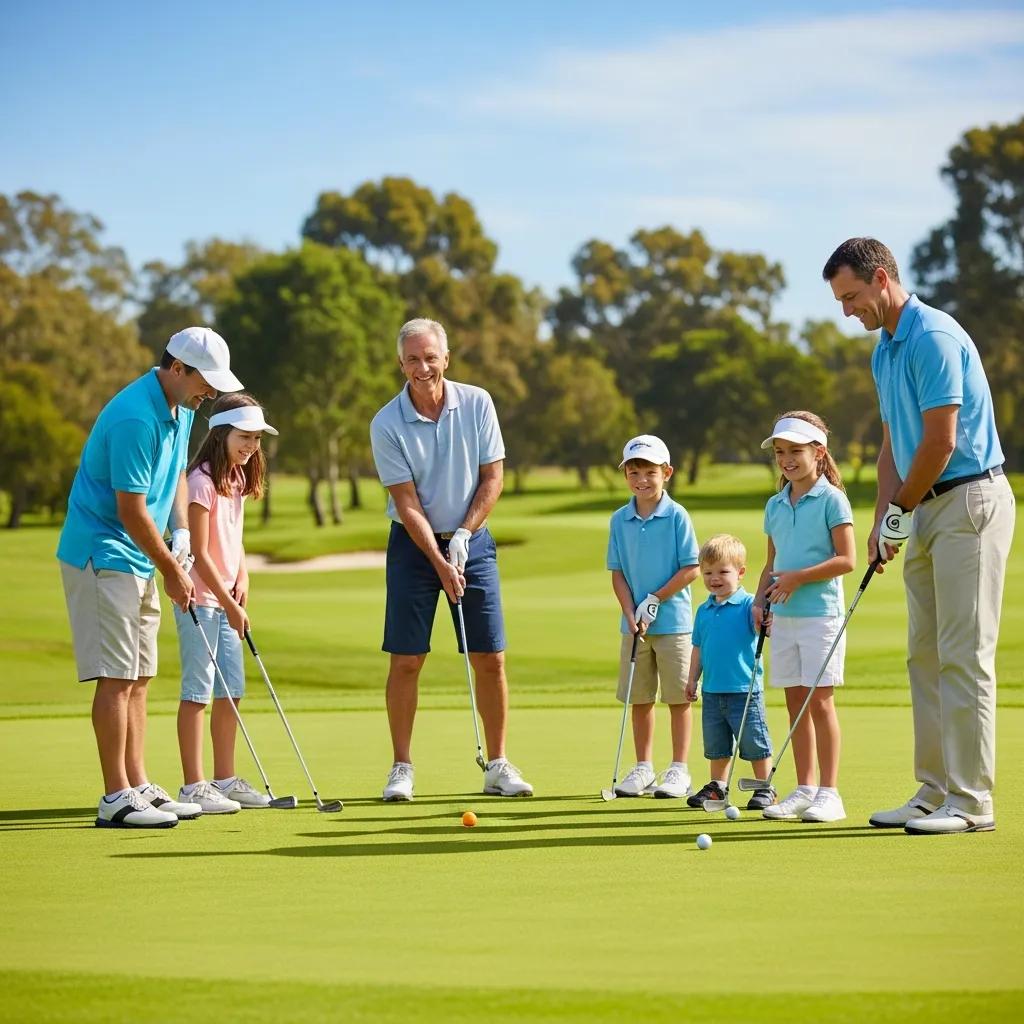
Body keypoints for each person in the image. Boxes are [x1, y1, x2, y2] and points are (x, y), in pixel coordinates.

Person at [823, 237, 1016, 835]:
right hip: (925, 506)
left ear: (881, 278)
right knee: (924, 656)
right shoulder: (884, 351)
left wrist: (901, 510)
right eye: (840, 300)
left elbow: (940, 442)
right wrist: (887, 519)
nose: (847, 310)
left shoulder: (933, 337)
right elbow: (892, 449)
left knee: (964, 656)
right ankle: (934, 790)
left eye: (852, 296)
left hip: (969, 502)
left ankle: (972, 800)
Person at [57, 327, 244, 828]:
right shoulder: (135, 416)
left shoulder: (180, 410)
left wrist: (181, 531)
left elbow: (179, 476)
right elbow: (131, 509)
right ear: (177, 368)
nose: (210, 391)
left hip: (139, 554)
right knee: (117, 677)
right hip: (103, 553)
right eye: (205, 380)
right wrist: (172, 569)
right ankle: (115, 795)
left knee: (140, 676)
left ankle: (138, 784)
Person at [369, 318, 533, 801]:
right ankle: (402, 767)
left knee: (490, 656)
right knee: (406, 660)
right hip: (412, 546)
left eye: (431, 356)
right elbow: (406, 501)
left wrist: (464, 534)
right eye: (413, 359)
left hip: (474, 541)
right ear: (401, 364)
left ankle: (498, 764)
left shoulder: (477, 402)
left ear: (446, 357)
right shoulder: (386, 422)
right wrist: (440, 561)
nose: (423, 367)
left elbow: (492, 479)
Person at [173, 393, 279, 814]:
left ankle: (225, 778)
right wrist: (227, 602)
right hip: (201, 601)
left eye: (256, 439)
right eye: (244, 436)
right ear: (221, 434)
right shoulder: (200, 481)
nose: (251, 446)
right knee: (197, 691)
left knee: (231, 691)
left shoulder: (234, 479)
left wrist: (245, 575)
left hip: (226, 597)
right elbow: (198, 551)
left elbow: (232, 541)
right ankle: (192, 785)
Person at [754, 412, 856, 823]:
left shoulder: (832, 498)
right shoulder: (776, 504)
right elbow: (771, 563)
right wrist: (759, 602)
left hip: (820, 616)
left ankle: (830, 794)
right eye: (780, 452)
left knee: (820, 703)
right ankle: (805, 788)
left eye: (796, 451)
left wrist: (798, 579)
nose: (787, 459)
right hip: (784, 617)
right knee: (794, 704)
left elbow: (847, 560)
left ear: (819, 452)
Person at [606, 435, 700, 797]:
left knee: (678, 697)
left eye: (649, 472)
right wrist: (629, 611)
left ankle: (678, 769)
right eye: (634, 472)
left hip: (674, 622)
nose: (641, 479)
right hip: (633, 626)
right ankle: (643, 768)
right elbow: (617, 572)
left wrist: (656, 598)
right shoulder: (620, 519)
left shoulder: (677, 516)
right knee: (640, 698)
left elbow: (691, 567)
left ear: (667, 473)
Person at [685, 535, 774, 810]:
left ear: (740, 572)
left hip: (744, 690)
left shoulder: (750, 605)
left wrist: (768, 622)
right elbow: (698, 648)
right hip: (712, 690)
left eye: (723, 571)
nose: (715, 578)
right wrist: (692, 679)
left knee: (755, 742)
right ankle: (718, 788)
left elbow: (765, 629)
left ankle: (764, 787)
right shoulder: (704, 610)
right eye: (708, 572)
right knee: (717, 744)